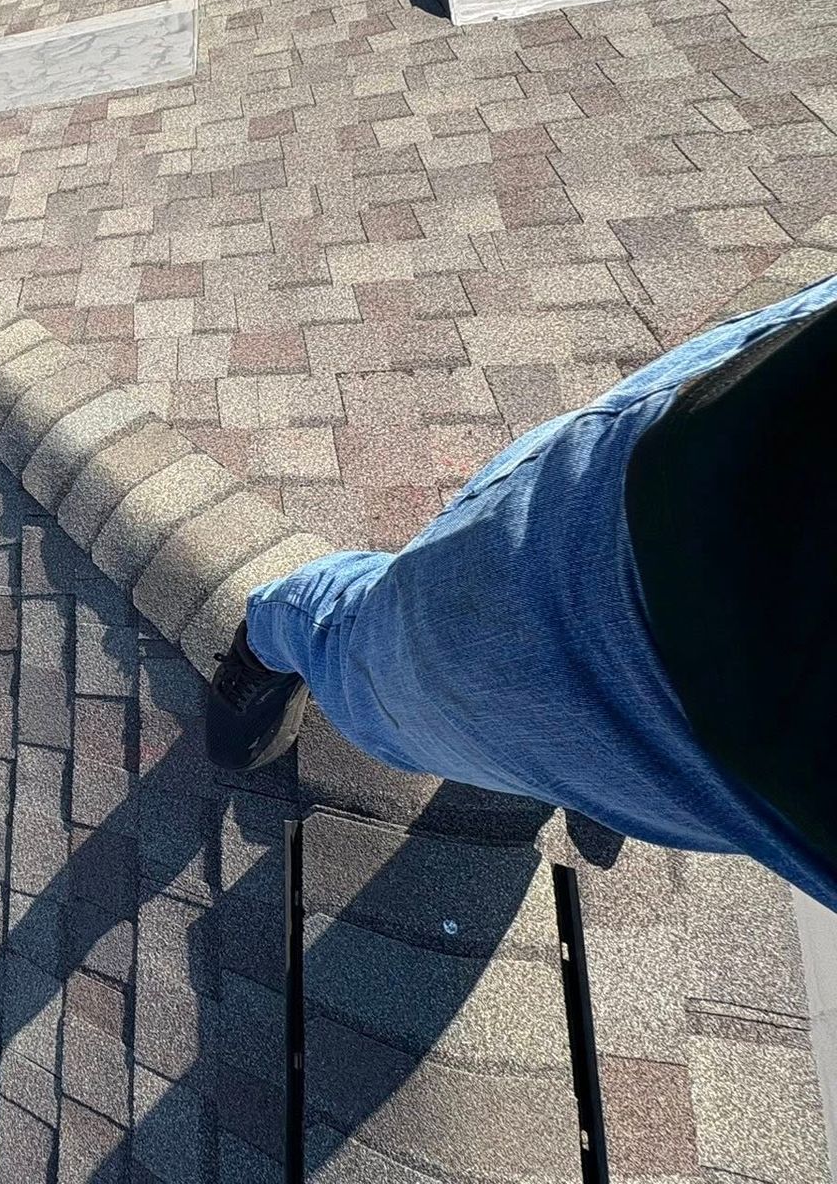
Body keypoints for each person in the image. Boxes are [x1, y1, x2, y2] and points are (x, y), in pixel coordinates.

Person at [204, 272, 837, 912]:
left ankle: (569, 763)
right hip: (696, 551)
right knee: (367, 666)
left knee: (537, 741)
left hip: (762, 753)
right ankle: (271, 631)